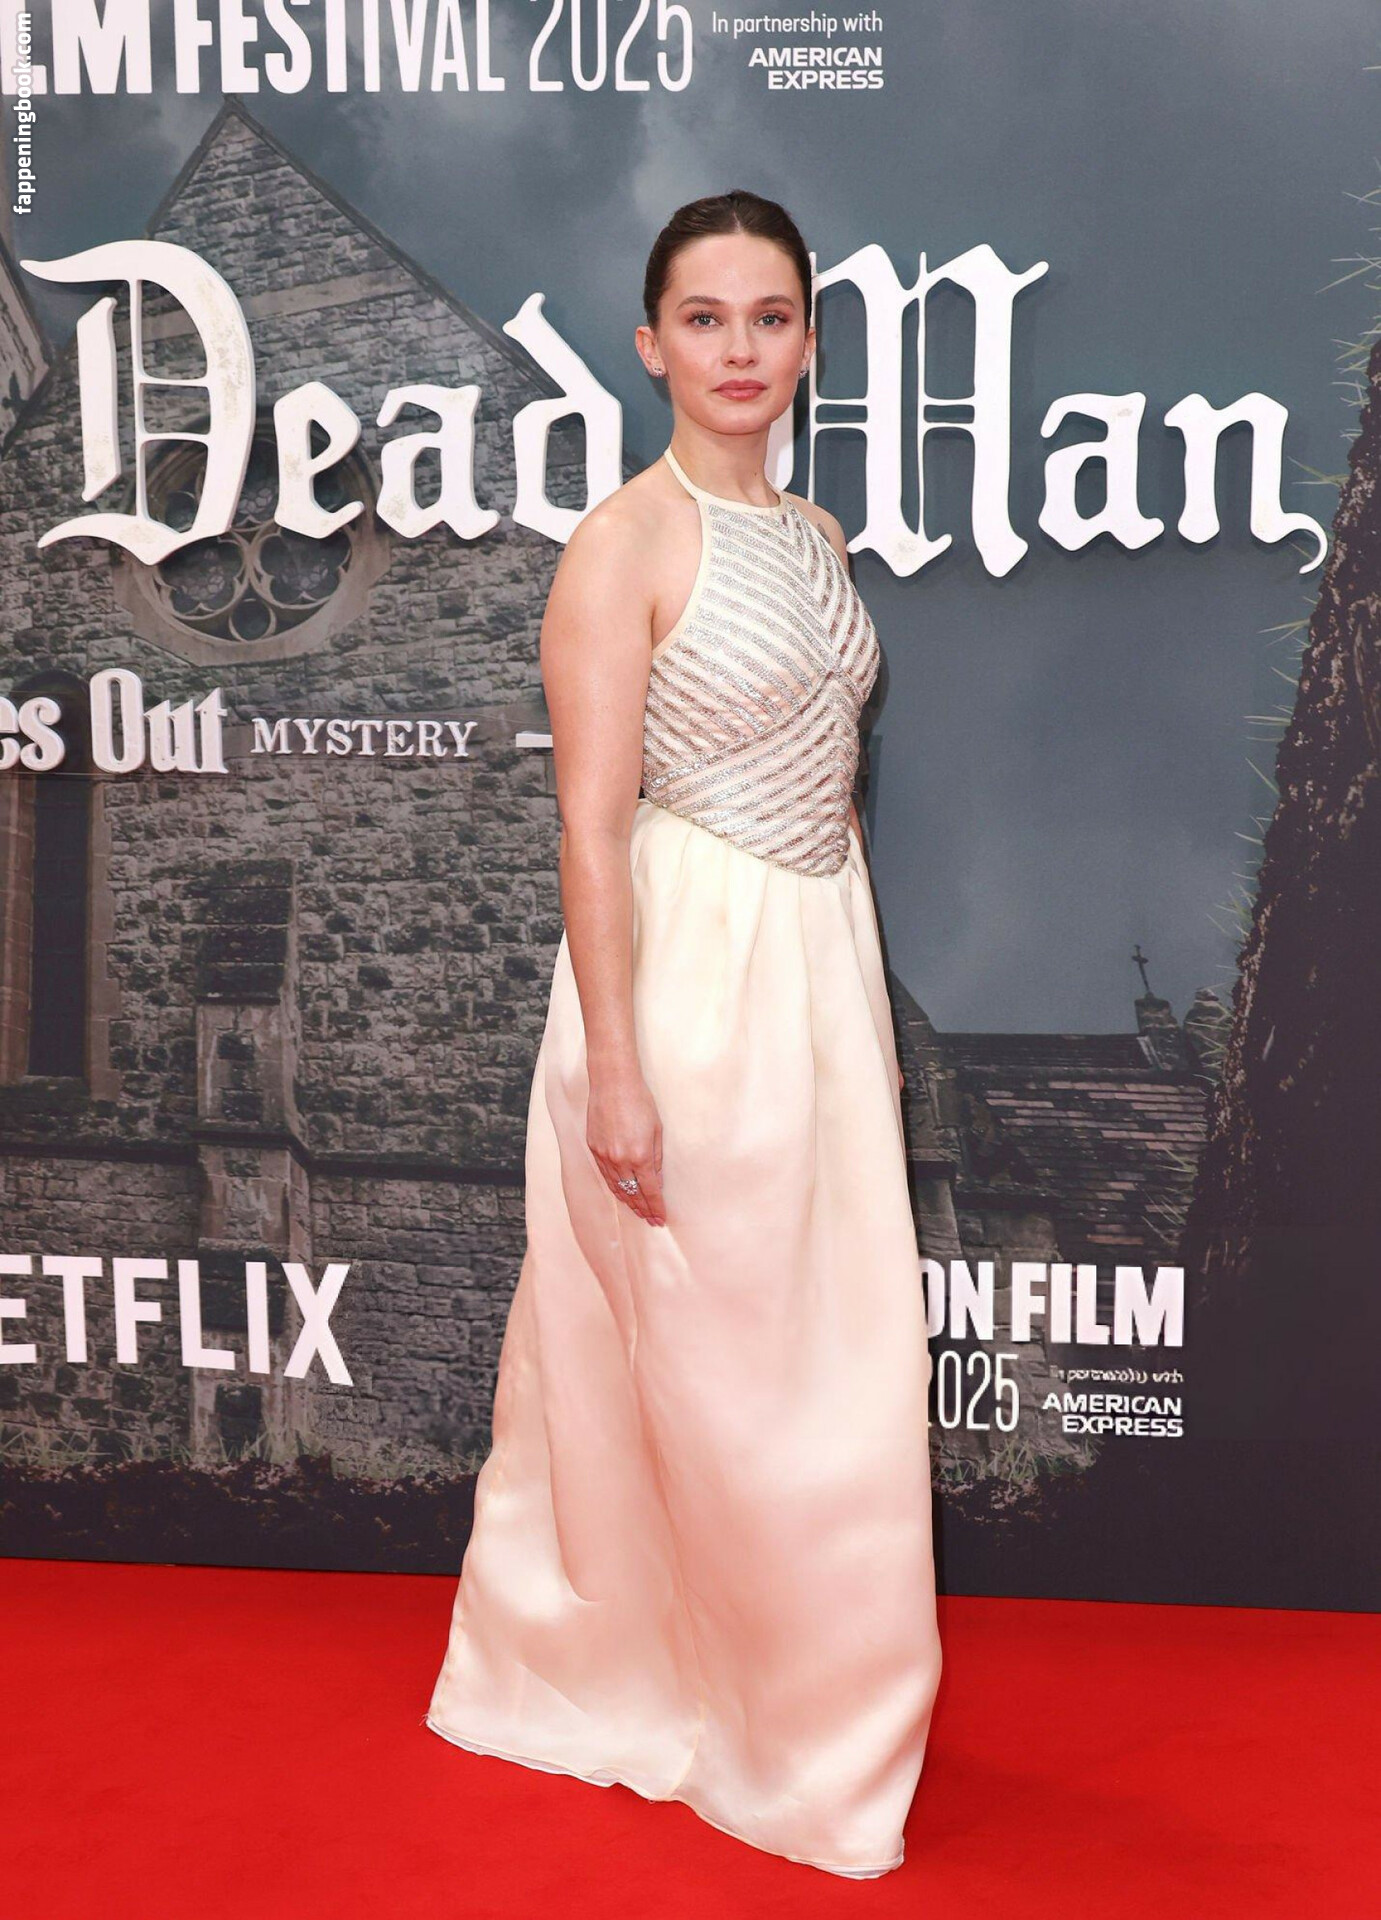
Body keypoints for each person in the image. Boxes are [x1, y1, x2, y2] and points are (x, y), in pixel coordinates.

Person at [424, 188, 942, 1878]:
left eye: (769, 317)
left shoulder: (818, 538)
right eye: (705, 319)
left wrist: (861, 1022)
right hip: (682, 985)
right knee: (726, 1384)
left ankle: (804, 1721)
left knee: (832, 1367)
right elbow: (589, 827)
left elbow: (836, 795)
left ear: (807, 342)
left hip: (812, 973)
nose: (739, 349)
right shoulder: (621, 545)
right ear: (650, 346)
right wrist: (618, 1071)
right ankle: (755, 1732)